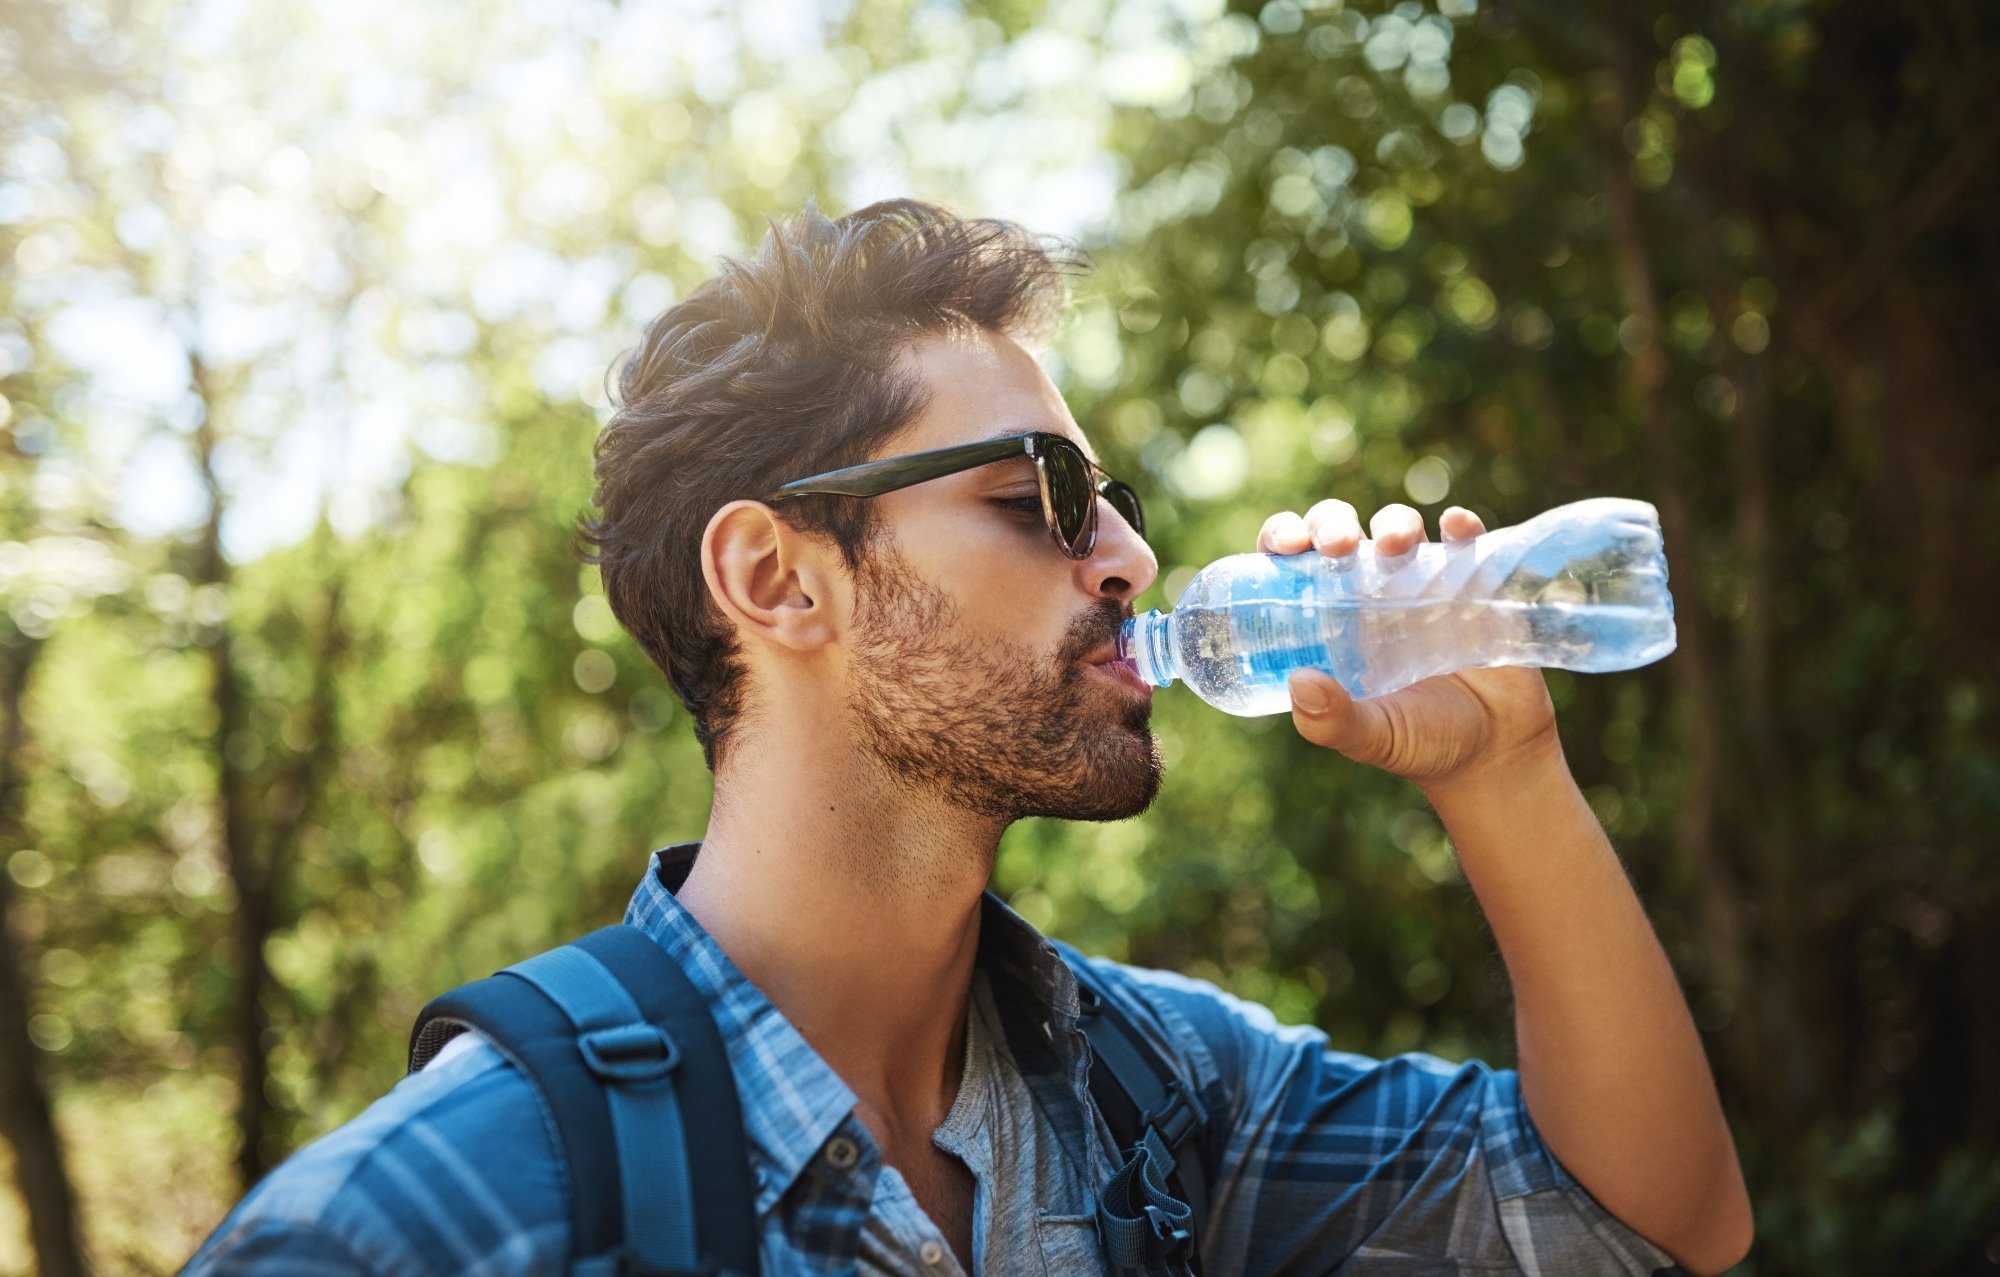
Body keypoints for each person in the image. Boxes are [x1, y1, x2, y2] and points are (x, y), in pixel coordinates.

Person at [186, 201, 1753, 1275]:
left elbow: (1645, 1230)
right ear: (778, 579)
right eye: (1038, 502)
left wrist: (1504, 774)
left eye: (1115, 504)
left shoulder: (1163, 1095)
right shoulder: (426, 1222)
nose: (1130, 558)